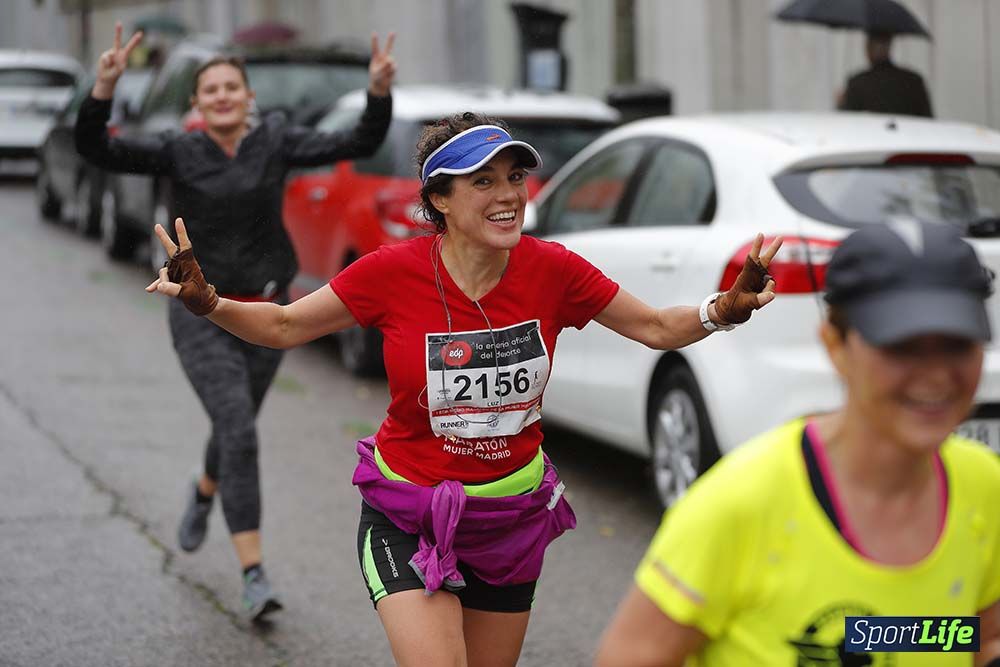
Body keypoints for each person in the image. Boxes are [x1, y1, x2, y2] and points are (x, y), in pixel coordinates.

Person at [145, 111, 781, 664]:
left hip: (509, 516)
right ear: (440, 200)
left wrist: (723, 307)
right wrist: (212, 303)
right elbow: (285, 325)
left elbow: (655, 326)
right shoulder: (391, 273)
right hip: (408, 511)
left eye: (514, 178)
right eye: (484, 181)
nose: (508, 195)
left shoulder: (552, 269)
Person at [76, 22, 396, 619]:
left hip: (269, 314)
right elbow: (97, 149)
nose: (222, 96)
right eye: (211, 89)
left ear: (249, 98)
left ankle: (204, 489)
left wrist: (378, 91)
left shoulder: (274, 141)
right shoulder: (178, 148)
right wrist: (103, 88)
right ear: (196, 102)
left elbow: (356, 140)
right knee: (240, 428)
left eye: (232, 87)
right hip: (200, 311)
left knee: (236, 423)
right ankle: (254, 573)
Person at [595, 219, 1000, 666]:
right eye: (901, 347)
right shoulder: (740, 504)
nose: (936, 374)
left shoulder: (986, 487)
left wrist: (862, 638)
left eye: (958, 344)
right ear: (835, 345)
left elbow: (967, 638)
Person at [837, 31, 933, 117]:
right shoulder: (914, 81)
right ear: (889, 47)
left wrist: (840, 105)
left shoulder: (857, 83)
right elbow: (928, 121)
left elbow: (848, 121)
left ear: (868, 48)